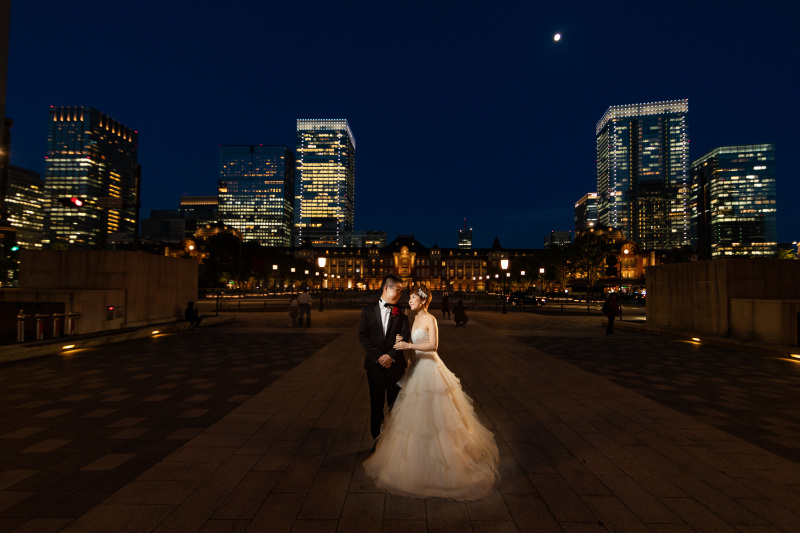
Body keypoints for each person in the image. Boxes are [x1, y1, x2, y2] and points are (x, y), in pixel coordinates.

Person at [363, 284, 500, 501]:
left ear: (423, 301)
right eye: (409, 297)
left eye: (413, 298)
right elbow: (410, 345)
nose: (409, 300)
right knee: (413, 418)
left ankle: (444, 461)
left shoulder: (430, 319)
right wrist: (405, 351)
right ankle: (416, 459)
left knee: (438, 418)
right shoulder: (411, 318)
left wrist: (408, 346)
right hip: (416, 369)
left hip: (430, 368)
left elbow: (434, 346)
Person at [357, 275, 410, 449]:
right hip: (375, 365)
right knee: (376, 404)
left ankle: (395, 442)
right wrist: (380, 357)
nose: (401, 293)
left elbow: (406, 335)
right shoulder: (367, 310)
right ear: (386, 288)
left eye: (401, 290)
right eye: (398, 289)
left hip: (395, 365)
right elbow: (363, 336)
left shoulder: (401, 311)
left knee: (396, 404)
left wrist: (391, 356)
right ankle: (377, 441)